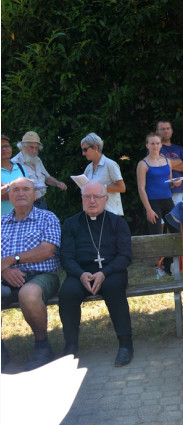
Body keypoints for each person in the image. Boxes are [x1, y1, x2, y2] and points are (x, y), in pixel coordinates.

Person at [58, 181, 133, 366]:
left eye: (96, 197)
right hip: (80, 273)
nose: (92, 201)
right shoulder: (70, 224)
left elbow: (125, 256)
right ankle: (71, 346)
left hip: (111, 272)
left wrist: (104, 273)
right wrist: (81, 274)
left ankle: (125, 344)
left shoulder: (117, 223)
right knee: (67, 292)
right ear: (82, 199)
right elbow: (66, 257)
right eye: (87, 196)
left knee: (114, 288)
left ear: (105, 199)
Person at [1, 177, 61, 370]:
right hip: (5, 275)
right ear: (8, 196)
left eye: (25, 189)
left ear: (35, 195)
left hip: (42, 275)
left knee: (28, 294)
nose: (20, 193)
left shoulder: (47, 217)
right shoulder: (1, 222)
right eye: (15, 190)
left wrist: (12, 260)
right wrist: (6, 269)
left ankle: (42, 346)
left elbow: (46, 251)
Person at [12, 131, 67, 210]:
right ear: (22, 147)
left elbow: (46, 177)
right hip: (26, 204)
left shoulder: (37, 160)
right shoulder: (15, 163)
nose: (34, 151)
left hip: (42, 202)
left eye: (36, 148)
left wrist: (58, 183)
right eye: (31, 147)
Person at [80, 133, 126, 216]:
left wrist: (101, 188)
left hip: (110, 213)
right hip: (92, 213)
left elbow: (122, 188)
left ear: (96, 148)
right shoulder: (88, 168)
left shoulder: (110, 164)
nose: (83, 153)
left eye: (85, 150)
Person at [156, 121, 183, 205]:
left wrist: (166, 163)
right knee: (163, 218)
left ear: (171, 130)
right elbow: (157, 165)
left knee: (177, 217)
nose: (166, 131)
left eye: (168, 128)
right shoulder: (155, 148)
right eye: (162, 129)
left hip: (178, 190)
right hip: (161, 190)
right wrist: (179, 161)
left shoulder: (179, 148)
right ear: (157, 132)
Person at [1, 135, 27, 216]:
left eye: (6, 146)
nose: (4, 149)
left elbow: (28, 188)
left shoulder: (20, 167)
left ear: (11, 148)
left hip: (23, 219)